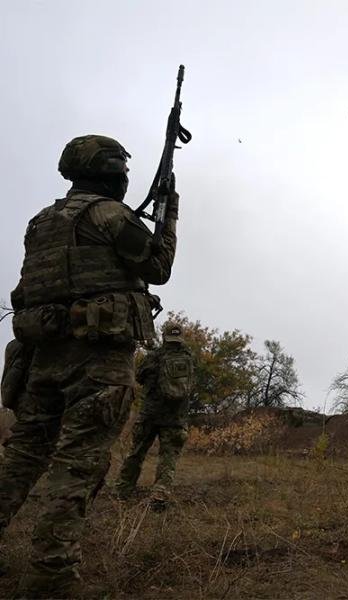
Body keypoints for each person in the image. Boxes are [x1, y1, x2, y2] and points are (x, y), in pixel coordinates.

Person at [0, 134, 179, 596]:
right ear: (111, 172)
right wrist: (170, 214)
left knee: (20, 458)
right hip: (96, 363)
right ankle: (51, 576)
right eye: (123, 170)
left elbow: (28, 289)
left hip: (42, 359)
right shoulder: (110, 216)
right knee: (77, 465)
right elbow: (158, 266)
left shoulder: (41, 222)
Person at [116, 323, 195, 509]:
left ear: (164, 336)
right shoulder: (190, 358)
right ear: (181, 337)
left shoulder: (154, 356)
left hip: (150, 415)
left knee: (136, 453)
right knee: (168, 457)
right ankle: (160, 494)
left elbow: (139, 377)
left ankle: (122, 492)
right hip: (176, 418)